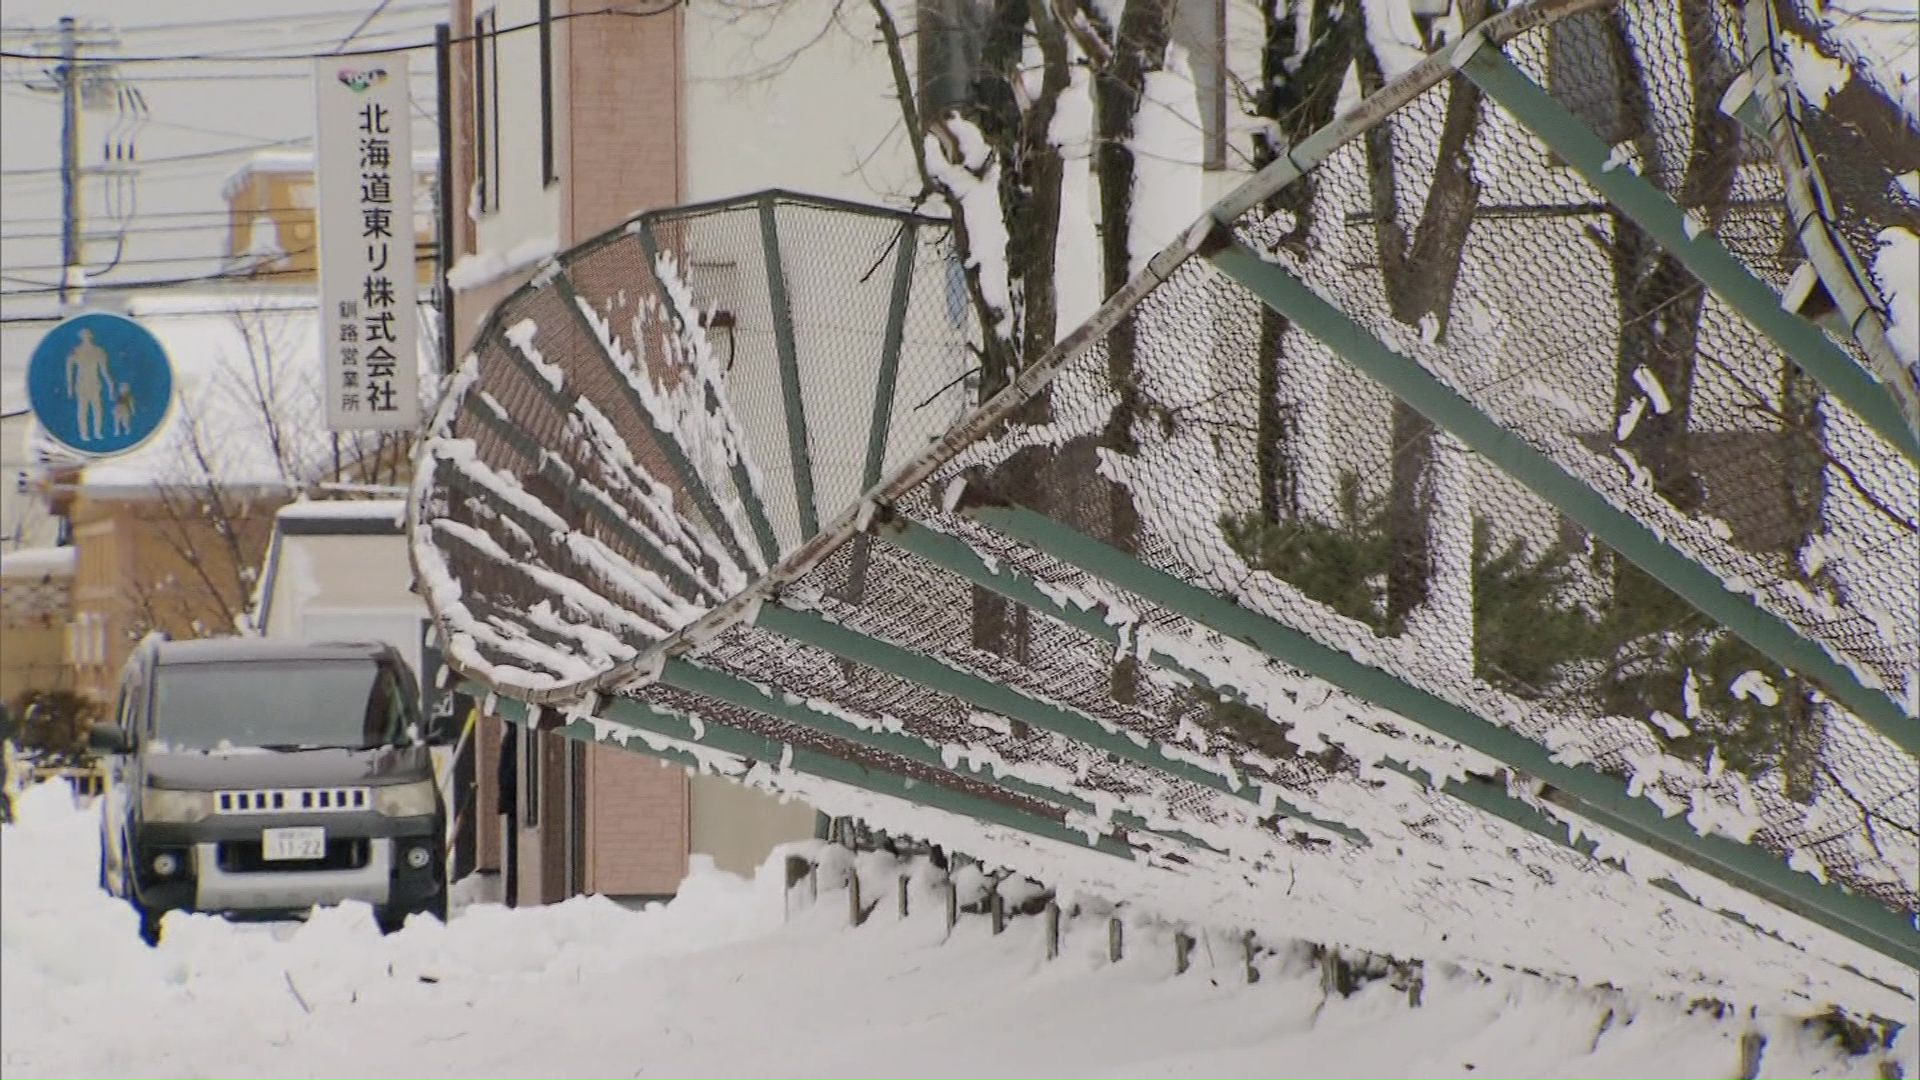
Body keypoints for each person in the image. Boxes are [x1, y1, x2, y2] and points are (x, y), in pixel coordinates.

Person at [65, 328, 115, 443]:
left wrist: (110, 385)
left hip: (95, 383)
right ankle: (84, 434)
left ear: (91, 336)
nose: (86, 337)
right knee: (83, 410)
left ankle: (97, 432)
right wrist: (70, 388)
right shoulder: (75, 351)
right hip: (81, 384)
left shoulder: (98, 351)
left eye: (88, 335)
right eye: (84, 335)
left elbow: (104, 370)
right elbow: (69, 372)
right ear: (81, 336)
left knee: (97, 409)